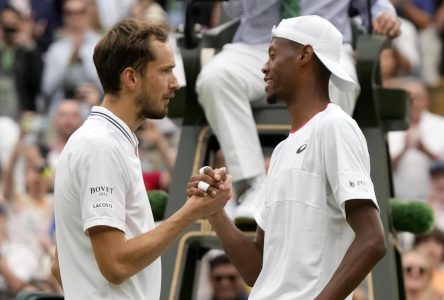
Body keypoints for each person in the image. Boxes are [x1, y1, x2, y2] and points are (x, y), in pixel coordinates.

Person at [188, 16, 386, 299]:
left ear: (305, 54)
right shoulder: (282, 151)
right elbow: (257, 271)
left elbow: (373, 240)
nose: (264, 66)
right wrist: (216, 214)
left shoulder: (335, 127)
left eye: (273, 55)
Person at [51, 19, 231, 299]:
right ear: (131, 78)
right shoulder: (102, 146)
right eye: (165, 71)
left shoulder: (103, 141)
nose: (175, 83)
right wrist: (191, 212)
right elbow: (116, 264)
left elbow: (58, 266)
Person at [195, 0, 400, 221]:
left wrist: (385, 15)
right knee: (215, 78)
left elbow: (373, 5)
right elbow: (234, 8)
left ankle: (317, 184)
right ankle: (256, 187)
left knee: (339, 81)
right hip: (257, 47)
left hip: (325, 48)